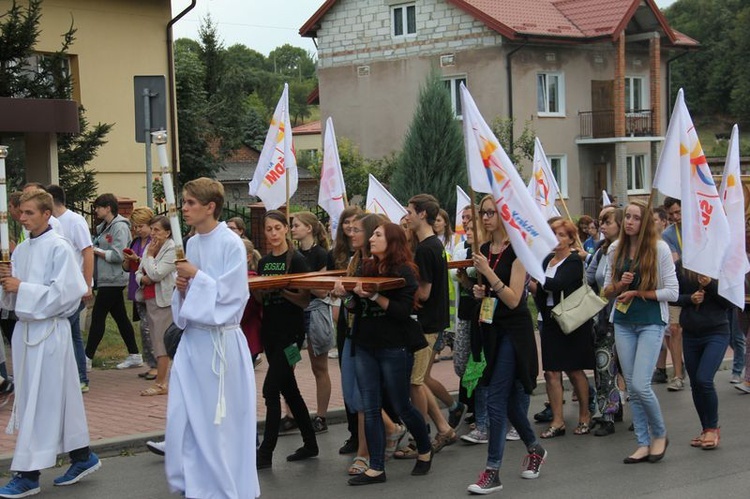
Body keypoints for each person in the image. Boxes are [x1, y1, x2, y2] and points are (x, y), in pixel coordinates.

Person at [0, 189, 100, 498]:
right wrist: (6, 282)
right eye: (21, 212)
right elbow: (10, 295)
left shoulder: (59, 247)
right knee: (57, 398)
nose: (22, 217)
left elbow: (68, 294)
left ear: (46, 214)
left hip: (50, 332)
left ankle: (28, 473)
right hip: (27, 332)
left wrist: (22, 287)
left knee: (40, 402)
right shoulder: (21, 250)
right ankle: (82, 456)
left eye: (29, 213)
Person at [166, 178, 258, 498]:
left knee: (220, 421)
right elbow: (192, 294)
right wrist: (183, 289)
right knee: (187, 415)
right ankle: (197, 482)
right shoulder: (191, 243)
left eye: (191, 203)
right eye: (184, 202)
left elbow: (234, 297)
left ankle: (225, 486)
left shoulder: (230, 243)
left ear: (210, 207)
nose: (184, 208)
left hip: (221, 344)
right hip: (194, 342)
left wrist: (196, 277)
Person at [467, 195, 547, 495]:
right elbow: (492, 294)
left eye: (491, 212)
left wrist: (487, 273)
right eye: (483, 212)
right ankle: (535, 448)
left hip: (515, 332)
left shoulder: (518, 252)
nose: (486, 218)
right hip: (493, 331)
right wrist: (480, 291)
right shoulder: (486, 249)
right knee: (511, 403)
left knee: (496, 397)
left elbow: (514, 299)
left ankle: (492, 471)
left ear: (504, 217)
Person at [346, 222, 434, 485]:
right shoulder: (366, 267)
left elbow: (401, 311)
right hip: (364, 344)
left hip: (394, 346)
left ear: (392, 241)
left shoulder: (405, 270)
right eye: (371, 233)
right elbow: (355, 307)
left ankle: (425, 449)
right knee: (370, 407)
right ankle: (376, 467)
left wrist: (373, 297)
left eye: (377, 235)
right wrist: (346, 296)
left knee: (401, 406)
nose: (370, 238)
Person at [603, 200, 678, 464]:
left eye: (636, 218)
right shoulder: (615, 248)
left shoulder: (659, 249)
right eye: (628, 217)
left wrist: (638, 293)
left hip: (651, 322)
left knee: (640, 385)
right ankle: (643, 443)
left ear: (645, 222)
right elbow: (605, 291)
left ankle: (660, 435)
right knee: (632, 389)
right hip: (623, 323)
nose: (630, 222)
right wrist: (618, 284)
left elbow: (673, 291)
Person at [255, 210, 318, 469]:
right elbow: (259, 300)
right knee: (288, 388)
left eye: (277, 228)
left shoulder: (297, 260)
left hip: (291, 335)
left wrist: (282, 288)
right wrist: (261, 290)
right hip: (269, 332)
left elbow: (305, 300)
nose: (272, 234)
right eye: (268, 229)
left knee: (271, 389)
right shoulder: (263, 263)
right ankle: (310, 443)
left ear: (284, 230)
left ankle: (265, 453)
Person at [403, 194, 458, 456]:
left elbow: (424, 293)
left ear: (422, 214)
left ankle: (420, 438)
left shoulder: (426, 248)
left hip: (426, 324)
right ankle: (443, 427)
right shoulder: (433, 244)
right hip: (432, 322)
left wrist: (402, 291)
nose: (408, 215)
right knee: (420, 379)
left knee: (416, 382)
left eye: (410, 211)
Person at [532, 219, 594, 438]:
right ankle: (557, 421)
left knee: (575, 370)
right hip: (550, 320)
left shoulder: (574, 261)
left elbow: (557, 284)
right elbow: (540, 291)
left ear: (570, 239)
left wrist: (537, 280)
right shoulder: (548, 260)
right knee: (551, 372)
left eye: (561, 234)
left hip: (572, 320)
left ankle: (585, 415)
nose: (556, 238)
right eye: (553, 234)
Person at [675, 262, 731, 449]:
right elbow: (671, 295)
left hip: (716, 332)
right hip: (691, 333)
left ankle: (713, 429)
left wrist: (710, 285)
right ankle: (705, 428)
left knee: (704, 379)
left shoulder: (720, 263)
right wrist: (689, 299)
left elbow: (729, 303)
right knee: (695, 384)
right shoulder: (681, 265)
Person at [46, 184, 94, 393]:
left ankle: (80, 377)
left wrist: (86, 284)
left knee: (70, 332)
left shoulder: (74, 221)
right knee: (72, 332)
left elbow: (87, 251)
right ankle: (75, 376)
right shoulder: (51, 223)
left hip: (76, 287)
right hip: (61, 287)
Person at [86, 193, 142, 370]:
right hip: (106, 278)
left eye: (98, 207)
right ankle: (135, 354)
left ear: (108, 208)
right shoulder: (104, 227)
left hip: (114, 278)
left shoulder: (119, 227)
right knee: (120, 317)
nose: (95, 211)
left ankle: (87, 357)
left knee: (98, 316)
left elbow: (119, 255)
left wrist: (96, 251)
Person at [291, 211, 334, 434]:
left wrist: (304, 281)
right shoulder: (293, 255)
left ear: (309, 228)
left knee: (319, 367)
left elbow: (321, 289)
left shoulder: (323, 255)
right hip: (295, 315)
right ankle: (291, 414)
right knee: (290, 363)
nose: (292, 229)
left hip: (315, 314)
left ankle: (321, 415)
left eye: (296, 225)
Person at [326, 206, 363, 454]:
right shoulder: (335, 254)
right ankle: (353, 434)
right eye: (346, 222)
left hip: (363, 319)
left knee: (366, 378)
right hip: (344, 318)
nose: (350, 227)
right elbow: (329, 285)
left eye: (355, 223)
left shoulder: (367, 253)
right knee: (348, 377)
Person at [586, 206, 624, 436]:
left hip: (625, 313)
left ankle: (633, 410)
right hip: (603, 316)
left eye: (607, 221)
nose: (602, 225)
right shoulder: (601, 251)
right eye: (601, 221)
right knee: (604, 364)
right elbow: (590, 277)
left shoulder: (629, 251)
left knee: (626, 368)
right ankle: (608, 414)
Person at [136, 215, 176, 397]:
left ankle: (161, 383)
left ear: (168, 232)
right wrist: (141, 278)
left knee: (161, 342)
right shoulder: (150, 247)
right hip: (149, 298)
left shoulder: (171, 249)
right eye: (152, 229)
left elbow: (157, 273)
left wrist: (150, 258)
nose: (153, 233)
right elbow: (139, 271)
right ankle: (163, 380)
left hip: (164, 301)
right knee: (154, 339)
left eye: (157, 230)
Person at [122, 207, 157, 381]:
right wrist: (128, 260)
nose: (137, 230)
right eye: (134, 226)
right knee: (143, 328)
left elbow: (153, 264)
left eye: (140, 226)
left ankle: (156, 365)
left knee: (149, 327)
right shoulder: (135, 242)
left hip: (150, 288)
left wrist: (138, 260)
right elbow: (126, 267)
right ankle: (150, 363)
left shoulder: (155, 241)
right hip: (137, 288)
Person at [661, 197, 685, 391]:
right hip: (679, 286)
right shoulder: (668, 234)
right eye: (671, 215)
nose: (676, 217)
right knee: (674, 329)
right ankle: (677, 375)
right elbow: (676, 262)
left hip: (704, 285)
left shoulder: (699, 227)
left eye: (678, 212)